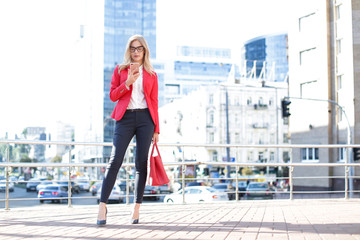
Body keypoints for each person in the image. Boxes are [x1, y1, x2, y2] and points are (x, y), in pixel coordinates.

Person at [97, 35, 159, 225]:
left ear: (145, 50)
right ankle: (102, 206)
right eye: (133, 48)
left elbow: (155, 102)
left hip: (145, 120)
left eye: (139, 48)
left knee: (142, 164)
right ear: (128, 50)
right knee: (115, 160)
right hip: (124, 118)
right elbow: (113, 96)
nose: (136, 52)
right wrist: (127, 83)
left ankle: (136, 207)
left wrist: (157, 129)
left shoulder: (152, 74)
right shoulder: (120, 70)